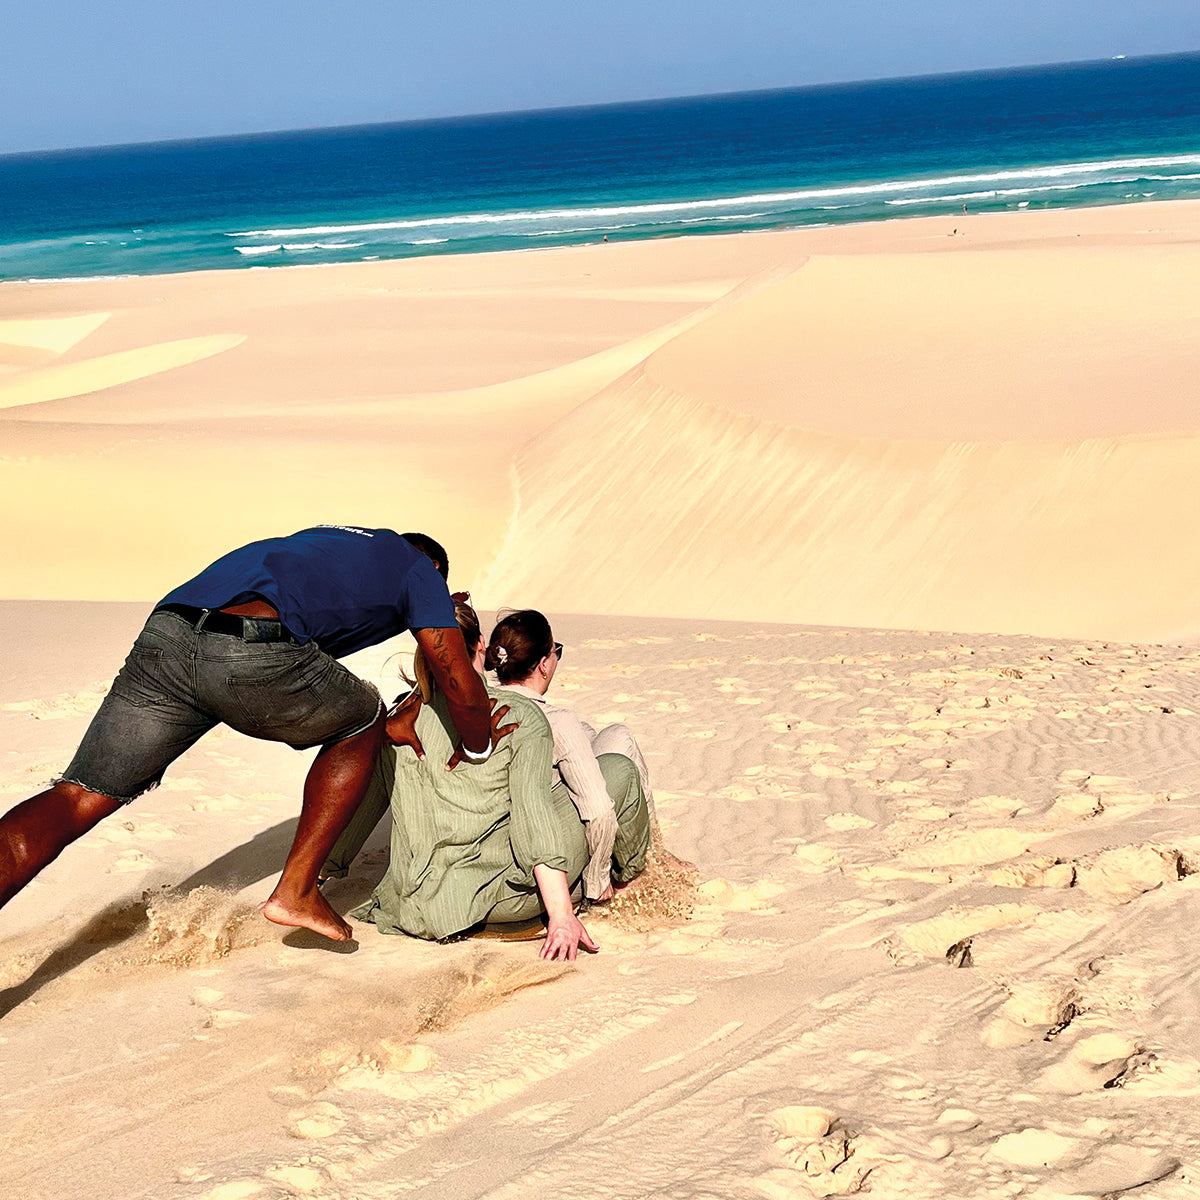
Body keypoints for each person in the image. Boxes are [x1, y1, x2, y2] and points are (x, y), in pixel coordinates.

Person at [0, 525, 497, 942]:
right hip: (248, 652)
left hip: (166, 636)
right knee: (362, 715)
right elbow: (457, 678)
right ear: (433, 570)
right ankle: (297, 890)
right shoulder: (418, 570)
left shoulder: (328, 545)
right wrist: (481, 747)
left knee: (78, 797)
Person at [338, 597, 597, 960]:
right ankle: (610, 884)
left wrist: (322, 870)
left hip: (408, 906)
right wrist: (561, 917)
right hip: (492, 906)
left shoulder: (399, 722)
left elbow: (360, 806)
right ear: (481, 647)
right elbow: (534, 823)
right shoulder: (517, 716)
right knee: (614, 773)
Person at [487, 610, 652, 903]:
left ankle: (645, 851)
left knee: (591, 733)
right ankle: (639, 864)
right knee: (620, 746)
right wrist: (598, 878)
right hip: (541, 865)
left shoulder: (477, 708)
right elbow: (599, 810)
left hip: (490, 855)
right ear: (543, 666)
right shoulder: (554, 721)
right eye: (555, 652)